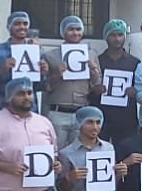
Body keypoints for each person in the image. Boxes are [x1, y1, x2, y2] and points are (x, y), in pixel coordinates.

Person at [43, 15, 103, 148]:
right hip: (58, 112)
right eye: (71, 29)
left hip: (81, 112)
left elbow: (97, 85)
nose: (75, 33)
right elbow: (46, 86)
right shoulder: (50, 56)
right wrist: (57, 74)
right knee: (57, 151)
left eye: (78, 29)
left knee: (79, 151)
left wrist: (93, 71)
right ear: (63, 32)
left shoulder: (91, 54)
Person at [0, 11, 48, 101]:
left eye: (25, 24)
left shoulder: (36, 52)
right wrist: (2, 70)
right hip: (3, 104)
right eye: (17, 24)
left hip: (28, 105)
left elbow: (41, 86)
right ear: (9, 27)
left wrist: (43, 73)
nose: (22, 27)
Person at [97, 20, 141, 146]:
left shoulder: (135, 62)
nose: (117, 39)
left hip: (126, 117)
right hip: (102, 116)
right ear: (106, 37)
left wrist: (134, 91)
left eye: (120, 35)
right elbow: (89, 87)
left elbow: (140, 87)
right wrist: (95, 89)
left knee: (125, 151)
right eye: (113, 35)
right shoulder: (97, 61)